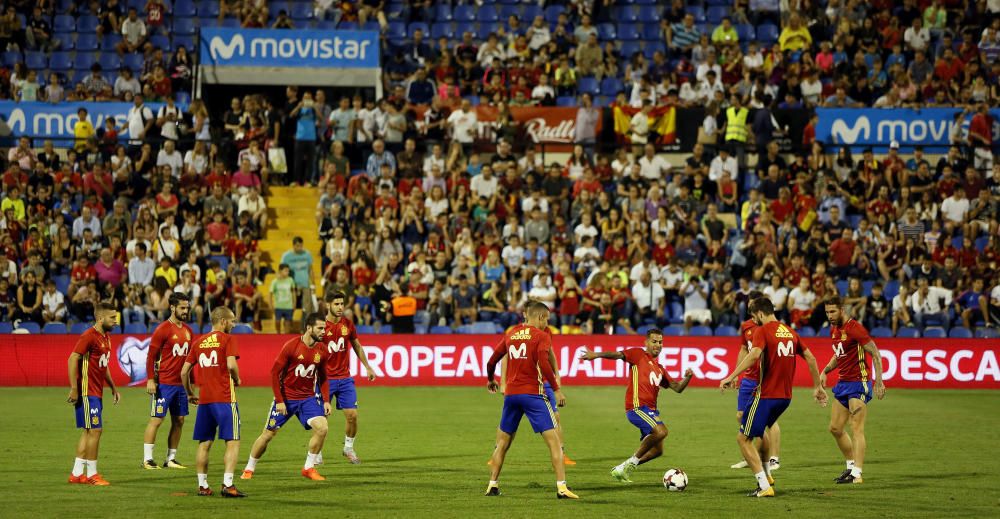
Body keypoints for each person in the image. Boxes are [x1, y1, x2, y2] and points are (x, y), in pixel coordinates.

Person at [720, 297, 827, 498]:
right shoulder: (790, 331)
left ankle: (763, 485)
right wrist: (817, 387)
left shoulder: (762, 330)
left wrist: (731, 376)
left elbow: (753, 356)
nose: (755, 320)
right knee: (760, 433)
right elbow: (811, 358)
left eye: (755, 316)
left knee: (743, 439)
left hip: (766, 395)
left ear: (760, 313)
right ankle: (768, 475)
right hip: (785, 398)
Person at [483, 301, 578, 499]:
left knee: (502, 443)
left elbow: (492, 360)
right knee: (554, 443)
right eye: (547, 320)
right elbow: (544, 364)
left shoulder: (511, 334)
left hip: (511, 396)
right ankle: (562, 487)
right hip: (533, 395)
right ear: (541, 317)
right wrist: (558, 390)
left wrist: (491, 379)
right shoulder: (541, 336)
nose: (547, 324)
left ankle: (492, 484)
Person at [579, 328, 694, 483]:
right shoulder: (638, 354)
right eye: (654, 341)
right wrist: (597, 355)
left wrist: (687, 378)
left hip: (650, 410)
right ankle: (629, 465)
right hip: (637, 407)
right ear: (646, 342)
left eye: (660, 342)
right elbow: (618, 355)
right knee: (661, 432)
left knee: (657, 451)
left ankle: (623, 469)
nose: (658, 345)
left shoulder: (660, 369)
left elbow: (677, 388)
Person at [242, 313, 332, 480]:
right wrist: (280, 400)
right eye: (320, 328)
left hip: (307, 399)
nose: (323, 332)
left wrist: (326, 400)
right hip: (286, 398)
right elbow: (274, 374)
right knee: (268, 434)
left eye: (324, 328)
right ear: (309, 328)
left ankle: (308, 467)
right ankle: (249, 467)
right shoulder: (291, 346)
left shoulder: (322, 350)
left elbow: (323, 377)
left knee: (323, 428)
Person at [822, 296, 886, 485]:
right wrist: (825, 370)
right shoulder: (835, 330)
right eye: (827, 312)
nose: (829, 315)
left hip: (859, 382)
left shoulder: (855, 328)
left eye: (832, 311)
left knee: (856, 428)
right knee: (835, 428)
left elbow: (875, 352)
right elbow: (839, 354)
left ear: (842, 309)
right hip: (843, 383)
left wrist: (879, 381)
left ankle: (857, 473)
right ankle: (850, 466)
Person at [181, 307, 244, 497]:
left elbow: (184, 372)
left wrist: (190, 393)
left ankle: (203, 486)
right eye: (232, 321)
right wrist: (237, 379)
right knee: (232, 441)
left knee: (204, 443)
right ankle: (228, 484)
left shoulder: (199, 342)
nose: (233, 325)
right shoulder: (228, 339)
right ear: (223, 321)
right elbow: (231, 364)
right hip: (225, 398)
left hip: (205, 400)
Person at [67, 303, 121, 486]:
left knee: (88, 432)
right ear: (100, 318)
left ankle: (76, 473)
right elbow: (73, 358)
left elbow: (102, 366)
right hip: (86, 391)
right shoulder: (89, 336)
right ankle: (92, 474)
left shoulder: (106, 337)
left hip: (96, 392)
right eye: (112, 318)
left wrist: (113, 387)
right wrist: (74, 388)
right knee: (96, 430)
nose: (116, 321)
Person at [321, 291, 377, 465]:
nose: (340, 307)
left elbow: (357, 346)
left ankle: (348, 448)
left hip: (344, 378)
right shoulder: (320, 326)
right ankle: (317, 453)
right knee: (322, 419)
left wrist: (367, 366)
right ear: (327, 305)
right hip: (325, 379)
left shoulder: (348, 324)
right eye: (336, 304)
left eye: (341, 304)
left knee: (352, 415)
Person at [729, 291, 782, 471]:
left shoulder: (772, 328)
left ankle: (773, 458)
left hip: (763, 379)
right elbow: (744, 349)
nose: (752, 310)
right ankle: (752, 454)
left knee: (769, 421)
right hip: (748, 378)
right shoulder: (746, 326)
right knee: (741, 416)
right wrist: (736, 375)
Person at [141, 293, 194, 469]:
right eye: (182, 308)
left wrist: (190, 388)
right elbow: (151, 356)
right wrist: (150, 379)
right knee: (156, 419)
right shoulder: (163, 329)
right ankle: (147, 459)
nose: (186, 311)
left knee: (179, 420)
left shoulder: (188, 331)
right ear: (172, 307)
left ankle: (170, 459)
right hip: (164, 383)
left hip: (180, 386)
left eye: (187, 307)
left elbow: (189, 361)